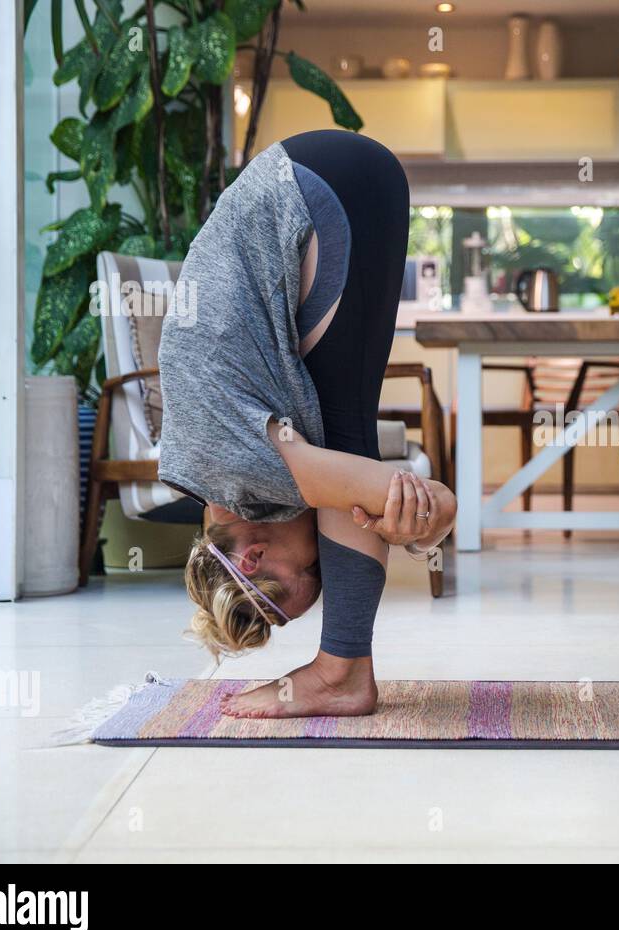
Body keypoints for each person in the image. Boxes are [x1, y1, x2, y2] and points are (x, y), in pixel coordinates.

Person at [157, 130, 455, 719]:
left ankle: (341, 674)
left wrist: (425, 523)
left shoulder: (244, 470)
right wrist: (413, 527)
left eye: (313, 564)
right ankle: (340, 671)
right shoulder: (205, 470)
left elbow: (430, 503)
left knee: (347, 443)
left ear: (251, 557)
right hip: (324, 179)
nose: (323, 541)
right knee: (345, 439)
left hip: (322, 190)